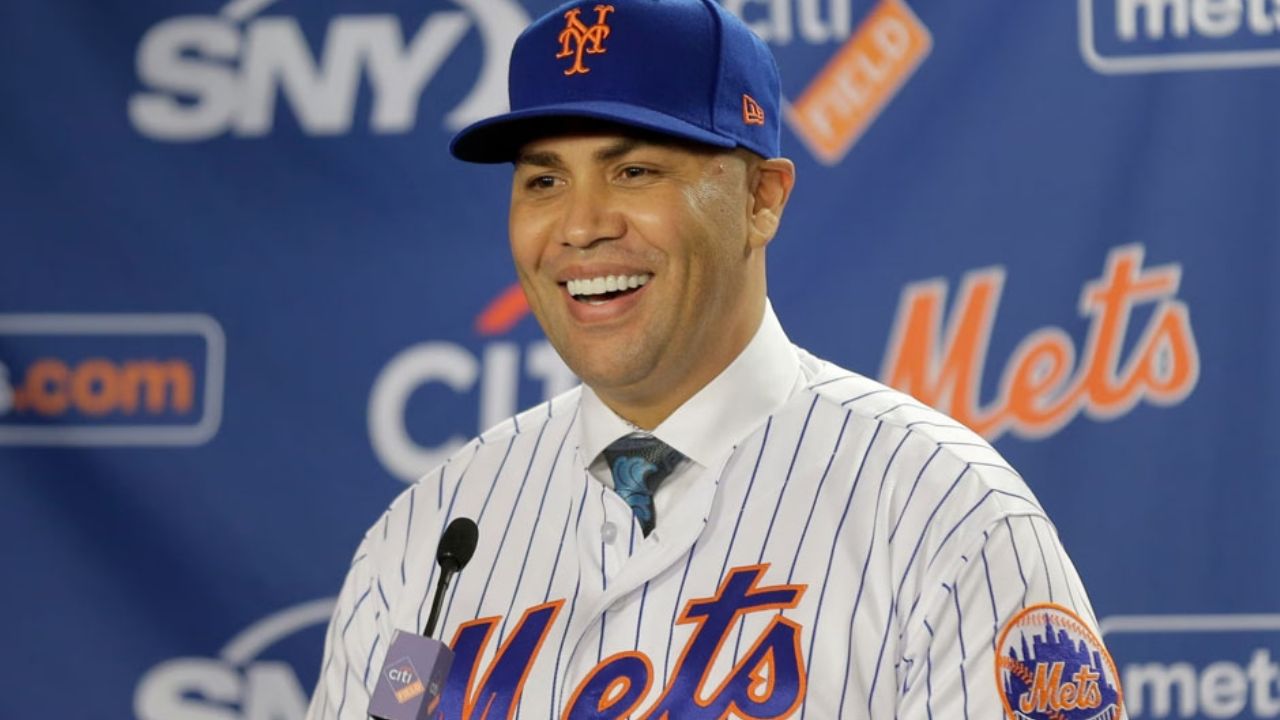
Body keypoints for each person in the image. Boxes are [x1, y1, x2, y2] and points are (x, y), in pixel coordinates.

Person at [307, 0, 1126, 717]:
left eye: (634, 170)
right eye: (544, 181)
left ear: (761, 199)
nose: (581, 226)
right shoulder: (428, 537)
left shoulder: (941, 512)